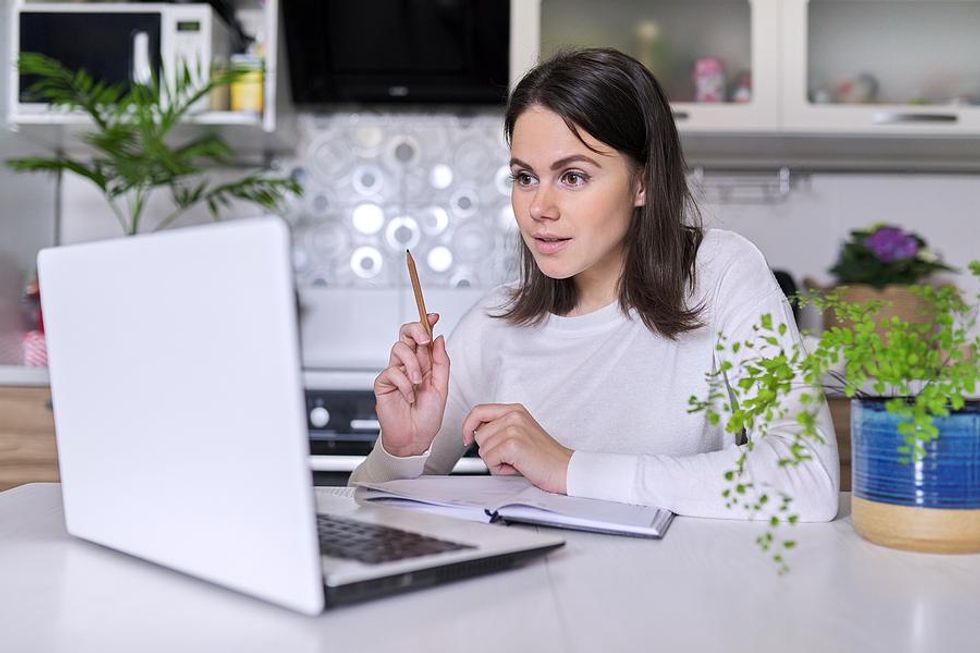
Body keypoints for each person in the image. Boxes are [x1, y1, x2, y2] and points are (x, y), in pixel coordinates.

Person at [350, 48, 839, 522]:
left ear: (642, 182)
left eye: (573, 177)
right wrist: (402, 450)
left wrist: (569, 468)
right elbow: (371, 509)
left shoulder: (719, 273)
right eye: (524, 177)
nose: (539, 208)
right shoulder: (494, 323)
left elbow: (807, 477)